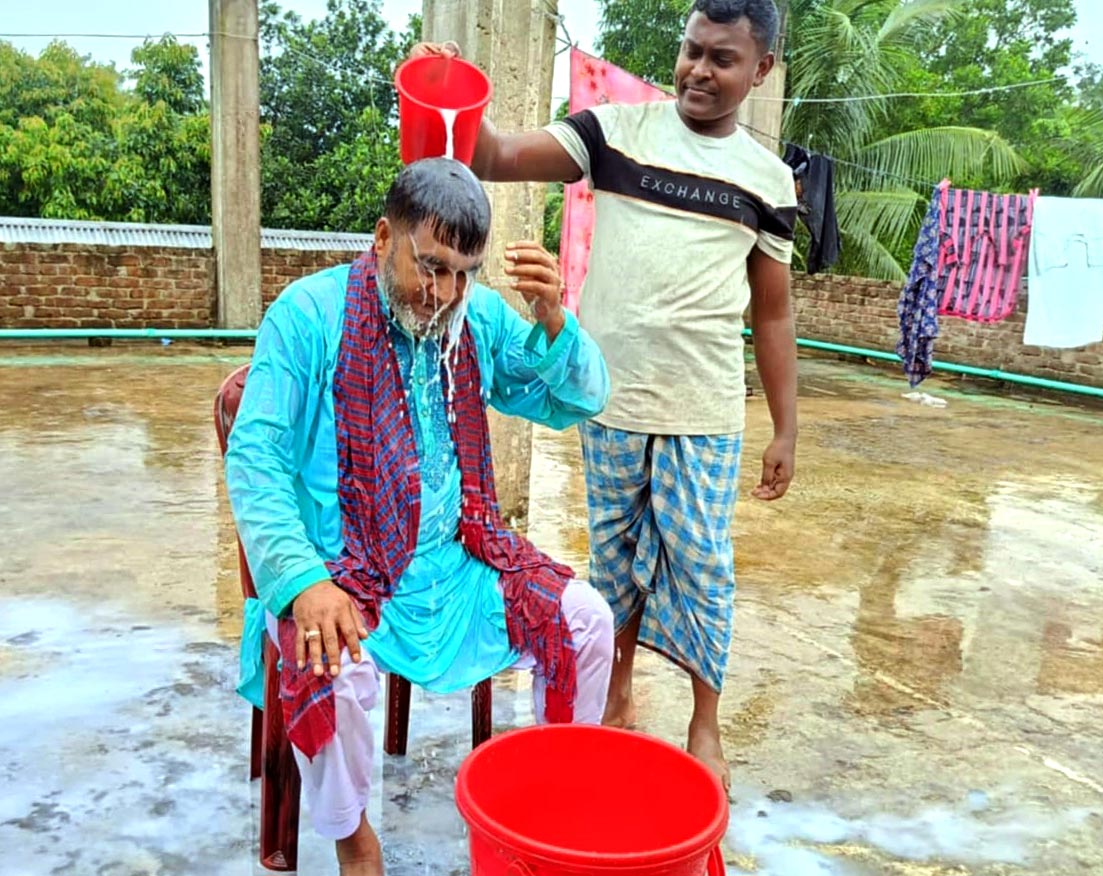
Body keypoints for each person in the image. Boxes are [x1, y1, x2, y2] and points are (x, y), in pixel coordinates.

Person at [407, 0, 799, 790]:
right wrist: (445, 88)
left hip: (704, 410)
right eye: (691, 51)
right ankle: (616, 693)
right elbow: (493, 153)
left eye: (723, 59)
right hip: (611, 403)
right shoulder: (613, 132)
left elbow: (773, 309)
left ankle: (704, 723)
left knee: (700, 565)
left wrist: (786, 426)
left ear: (760, 72)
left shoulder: (769, 180)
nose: (698, 70)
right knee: (614, 560)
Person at [225, 158, 615, 875]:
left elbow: (576, 401)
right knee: (329, 662)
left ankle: (548, 807)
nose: (445, 294)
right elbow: (256, 460)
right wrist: (303, 581)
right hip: (344, 570)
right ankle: (355, 840)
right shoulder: (307, 317)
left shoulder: (474, 319)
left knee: (586, 621)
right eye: (431, 267)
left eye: (465, 272)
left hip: (455, 566)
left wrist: (557, 322)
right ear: (383, 238)